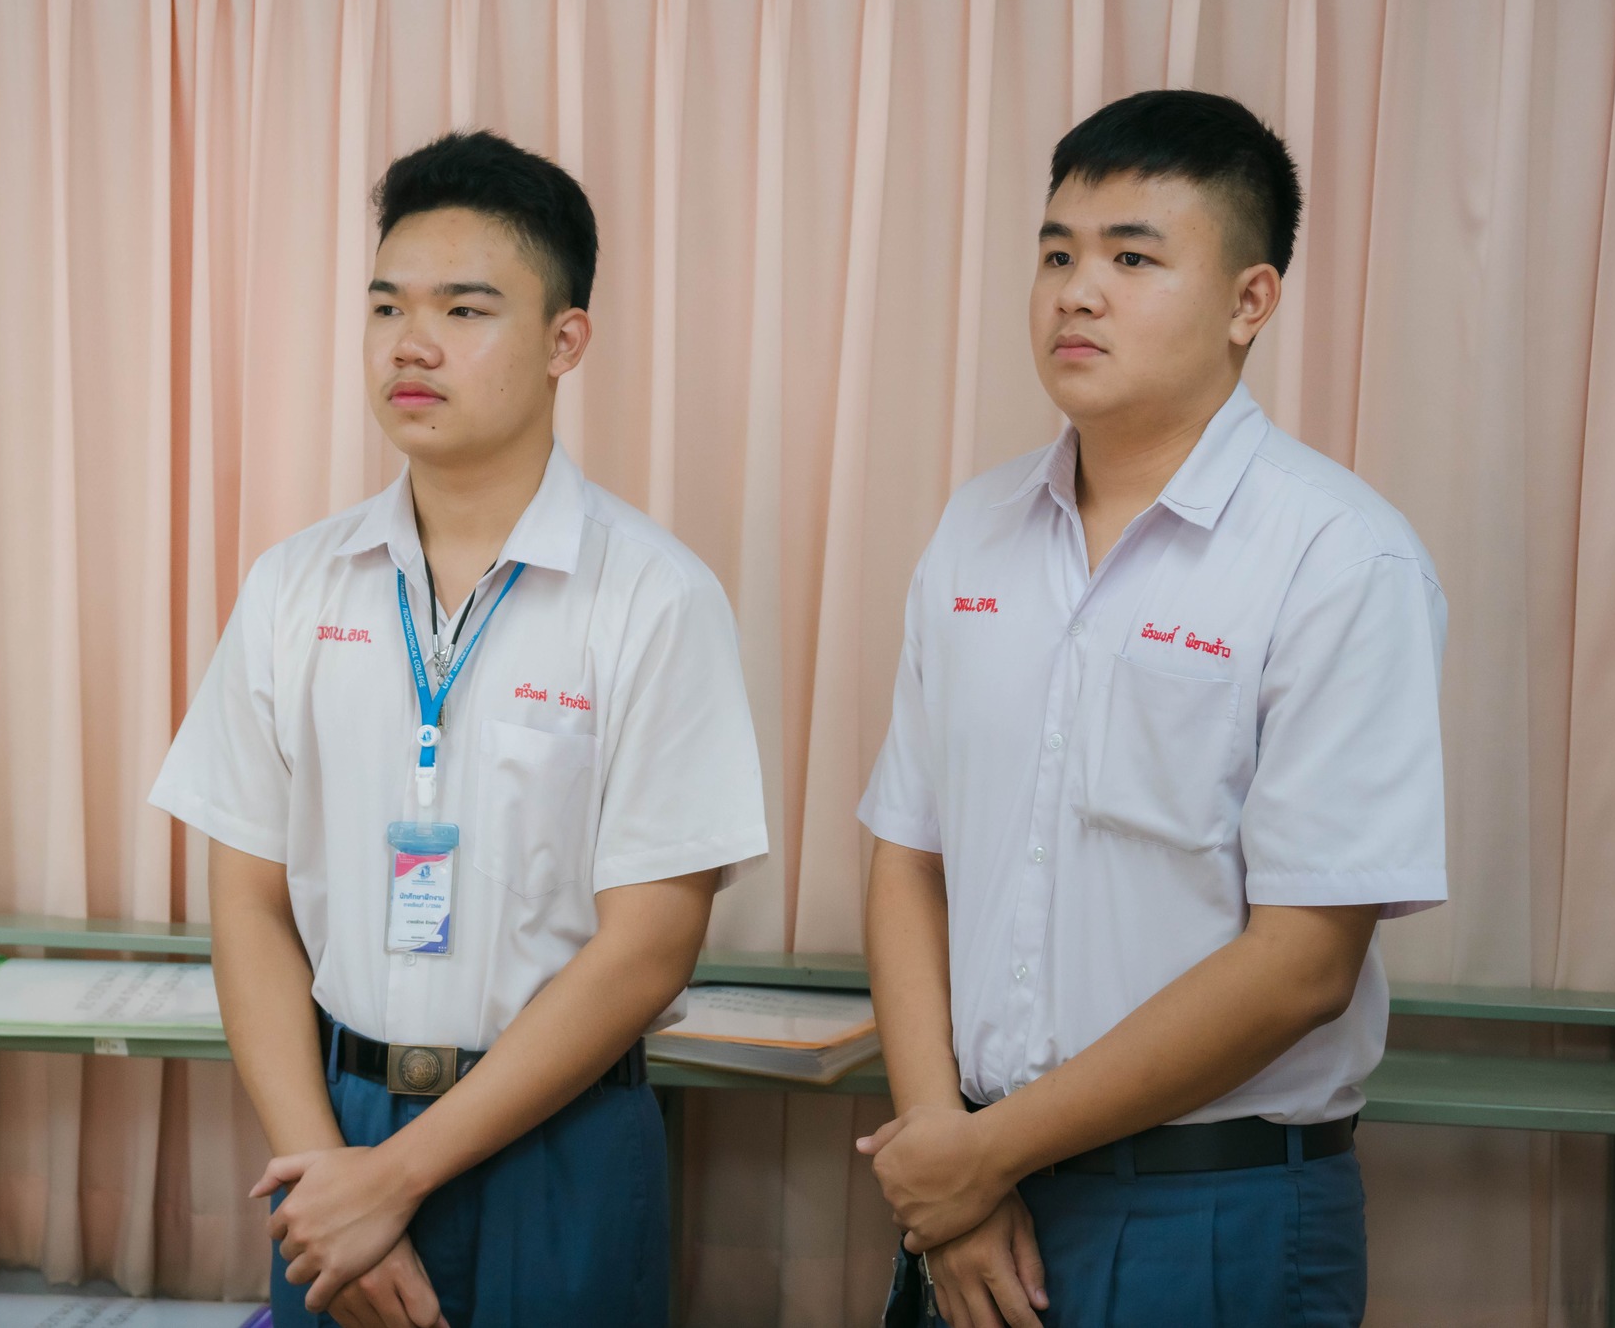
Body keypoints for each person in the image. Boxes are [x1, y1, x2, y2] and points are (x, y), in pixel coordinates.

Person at [149, 130, 768, 1328]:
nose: (410, 343)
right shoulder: (297, 586)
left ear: (562, 342)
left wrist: (400, 1179)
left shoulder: (652, 596)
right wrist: (332, 1173)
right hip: (334, 1128)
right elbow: (250, 901)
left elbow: (649, 947)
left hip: (563, 1139)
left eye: (463, 308)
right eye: (386, 306)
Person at [856, 89, 1447, 1328]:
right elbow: (907, 856)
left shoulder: (1336, 555)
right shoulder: (974, 529)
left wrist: (982, 1153)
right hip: (968, 1193)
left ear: (1249, 302)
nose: (1077, 291)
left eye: (1132, 257)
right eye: (1057, 253)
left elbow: (1301, 965)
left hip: (1213, 1209)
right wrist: (943, 1152)